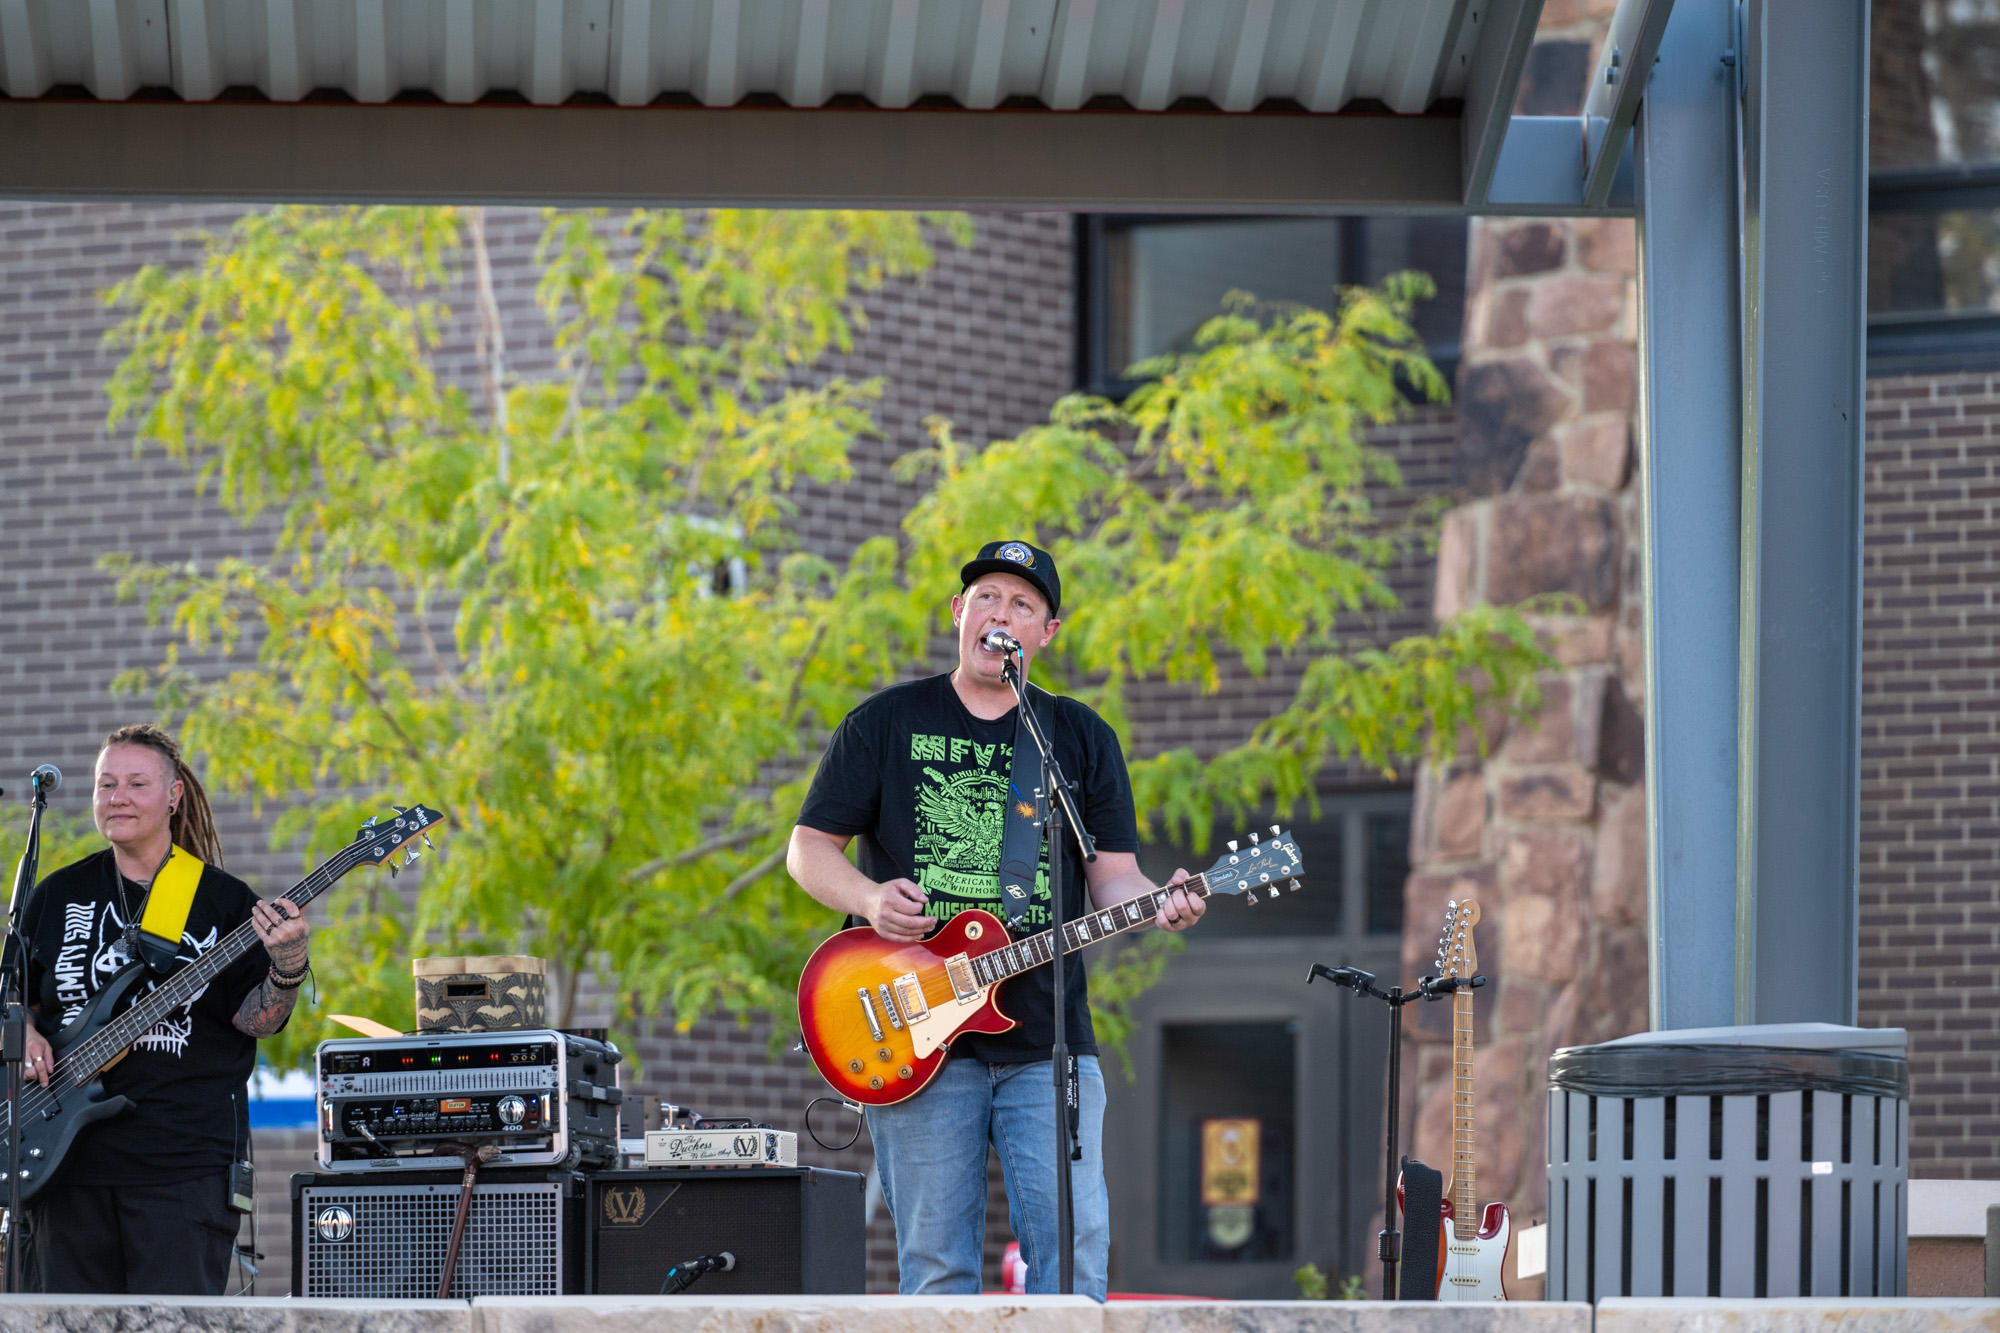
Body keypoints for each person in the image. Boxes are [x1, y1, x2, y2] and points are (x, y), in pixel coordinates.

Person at [787, 540, 1205, 1298]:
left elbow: (1112, 877)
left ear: (1047, 631)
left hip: (1049, 1043)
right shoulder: (885, 722)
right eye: (986, 597)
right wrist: (870, 899)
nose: (1000, 614)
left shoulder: (1077, 737)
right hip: (915, 1033)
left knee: (1074, 1264)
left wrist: (1160, 902)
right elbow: (807, 848)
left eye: (1022, 604)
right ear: (958, 612)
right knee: (939, 1269)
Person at [14, 724, 310, 1295]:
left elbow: (257, 1020)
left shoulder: (222, 901)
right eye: (105, 784)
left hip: (181, 1169)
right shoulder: (55, 894)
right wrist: (24, 1033)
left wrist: (288, 966)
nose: (116, 797)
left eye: (135, 783)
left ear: (173, 796)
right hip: (62, 1167)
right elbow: (16, 998)